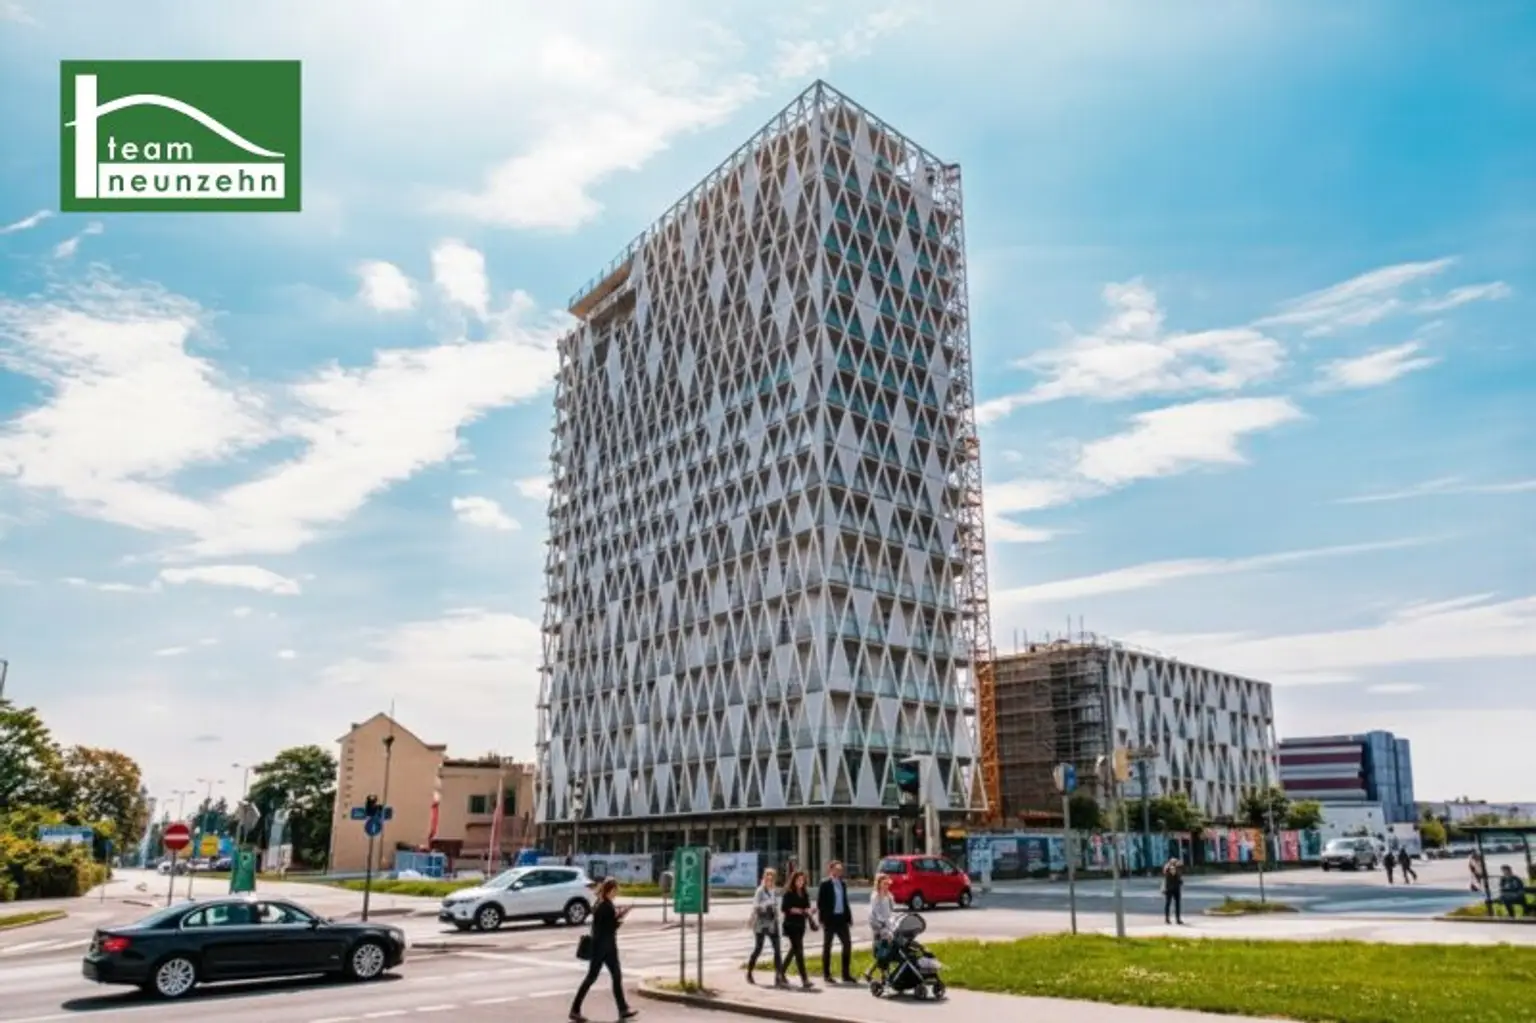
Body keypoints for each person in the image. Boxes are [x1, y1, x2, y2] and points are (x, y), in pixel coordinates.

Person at [569, 877, 636, 1023]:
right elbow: (610, 927)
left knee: (615, 976)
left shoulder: (602, 903)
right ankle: (575, 1010)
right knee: (593, 978)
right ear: (610, 890)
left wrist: (618, 916)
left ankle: (623, 1009)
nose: (616, 893)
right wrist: (621, 917)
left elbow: (603, 925)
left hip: (605, 948)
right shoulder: (606, 906)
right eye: (615, 890)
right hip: (603, 948)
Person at [815, 859, 856, 984]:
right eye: (837, 869)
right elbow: (820, 903)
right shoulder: (825, 883)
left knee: (847, 944)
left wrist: (849, 918)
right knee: (827, 946)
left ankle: (845, 974)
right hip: (830, 919)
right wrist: (822, 919)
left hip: (841, 919)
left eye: (840, 869)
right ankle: (826, 974)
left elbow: (845, 901)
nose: (839, 871)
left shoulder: (842, 884)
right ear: (831, 869)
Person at [745, 868, 785, 986]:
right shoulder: (760, 891)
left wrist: (776, 912)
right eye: (768, 878)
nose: (770, 881)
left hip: (772, 922)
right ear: (764, 878)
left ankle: (778, 977)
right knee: (758, 948)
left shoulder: (773, 891)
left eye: (772, 878)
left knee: (777, 950)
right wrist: (766, 905)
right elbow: (755, 906)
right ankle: (749, 972)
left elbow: (776, 905)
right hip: (761, 923)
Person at [780, 870, 816, 989]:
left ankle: (780, 973)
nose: (801, 882)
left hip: (801, 925)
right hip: (791, 925)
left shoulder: (804, 893)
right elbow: (784, 908)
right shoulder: (788, 893)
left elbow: (807, 907)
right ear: (794, 880)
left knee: (794, 950)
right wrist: (799, 910)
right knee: (799, 951)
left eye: (802, 880)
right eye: (798, 880)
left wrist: (810, 911)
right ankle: (804, 979)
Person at [861, 874, 897, 982]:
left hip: (887, 926)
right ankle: (880, 974)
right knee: (882, 951)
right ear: (879, 884)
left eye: (887, 883)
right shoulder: (875, 896)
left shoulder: (889, 895)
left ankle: (877, 974)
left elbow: (891, 910)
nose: (886, 886)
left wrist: (892, 922)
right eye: (884, 883)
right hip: (878, 926)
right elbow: (876, 913)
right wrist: (884, 924)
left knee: (887, 950)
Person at [1161, 857, 1185, 925]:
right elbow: (1176, 875)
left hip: (1170, 888)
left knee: (1169, 904)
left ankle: (1168, 919)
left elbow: (1178, 878)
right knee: (1174, 904)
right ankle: (1176, 919)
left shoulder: (1167, 868)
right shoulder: (1172, 869)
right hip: (1173, 888)